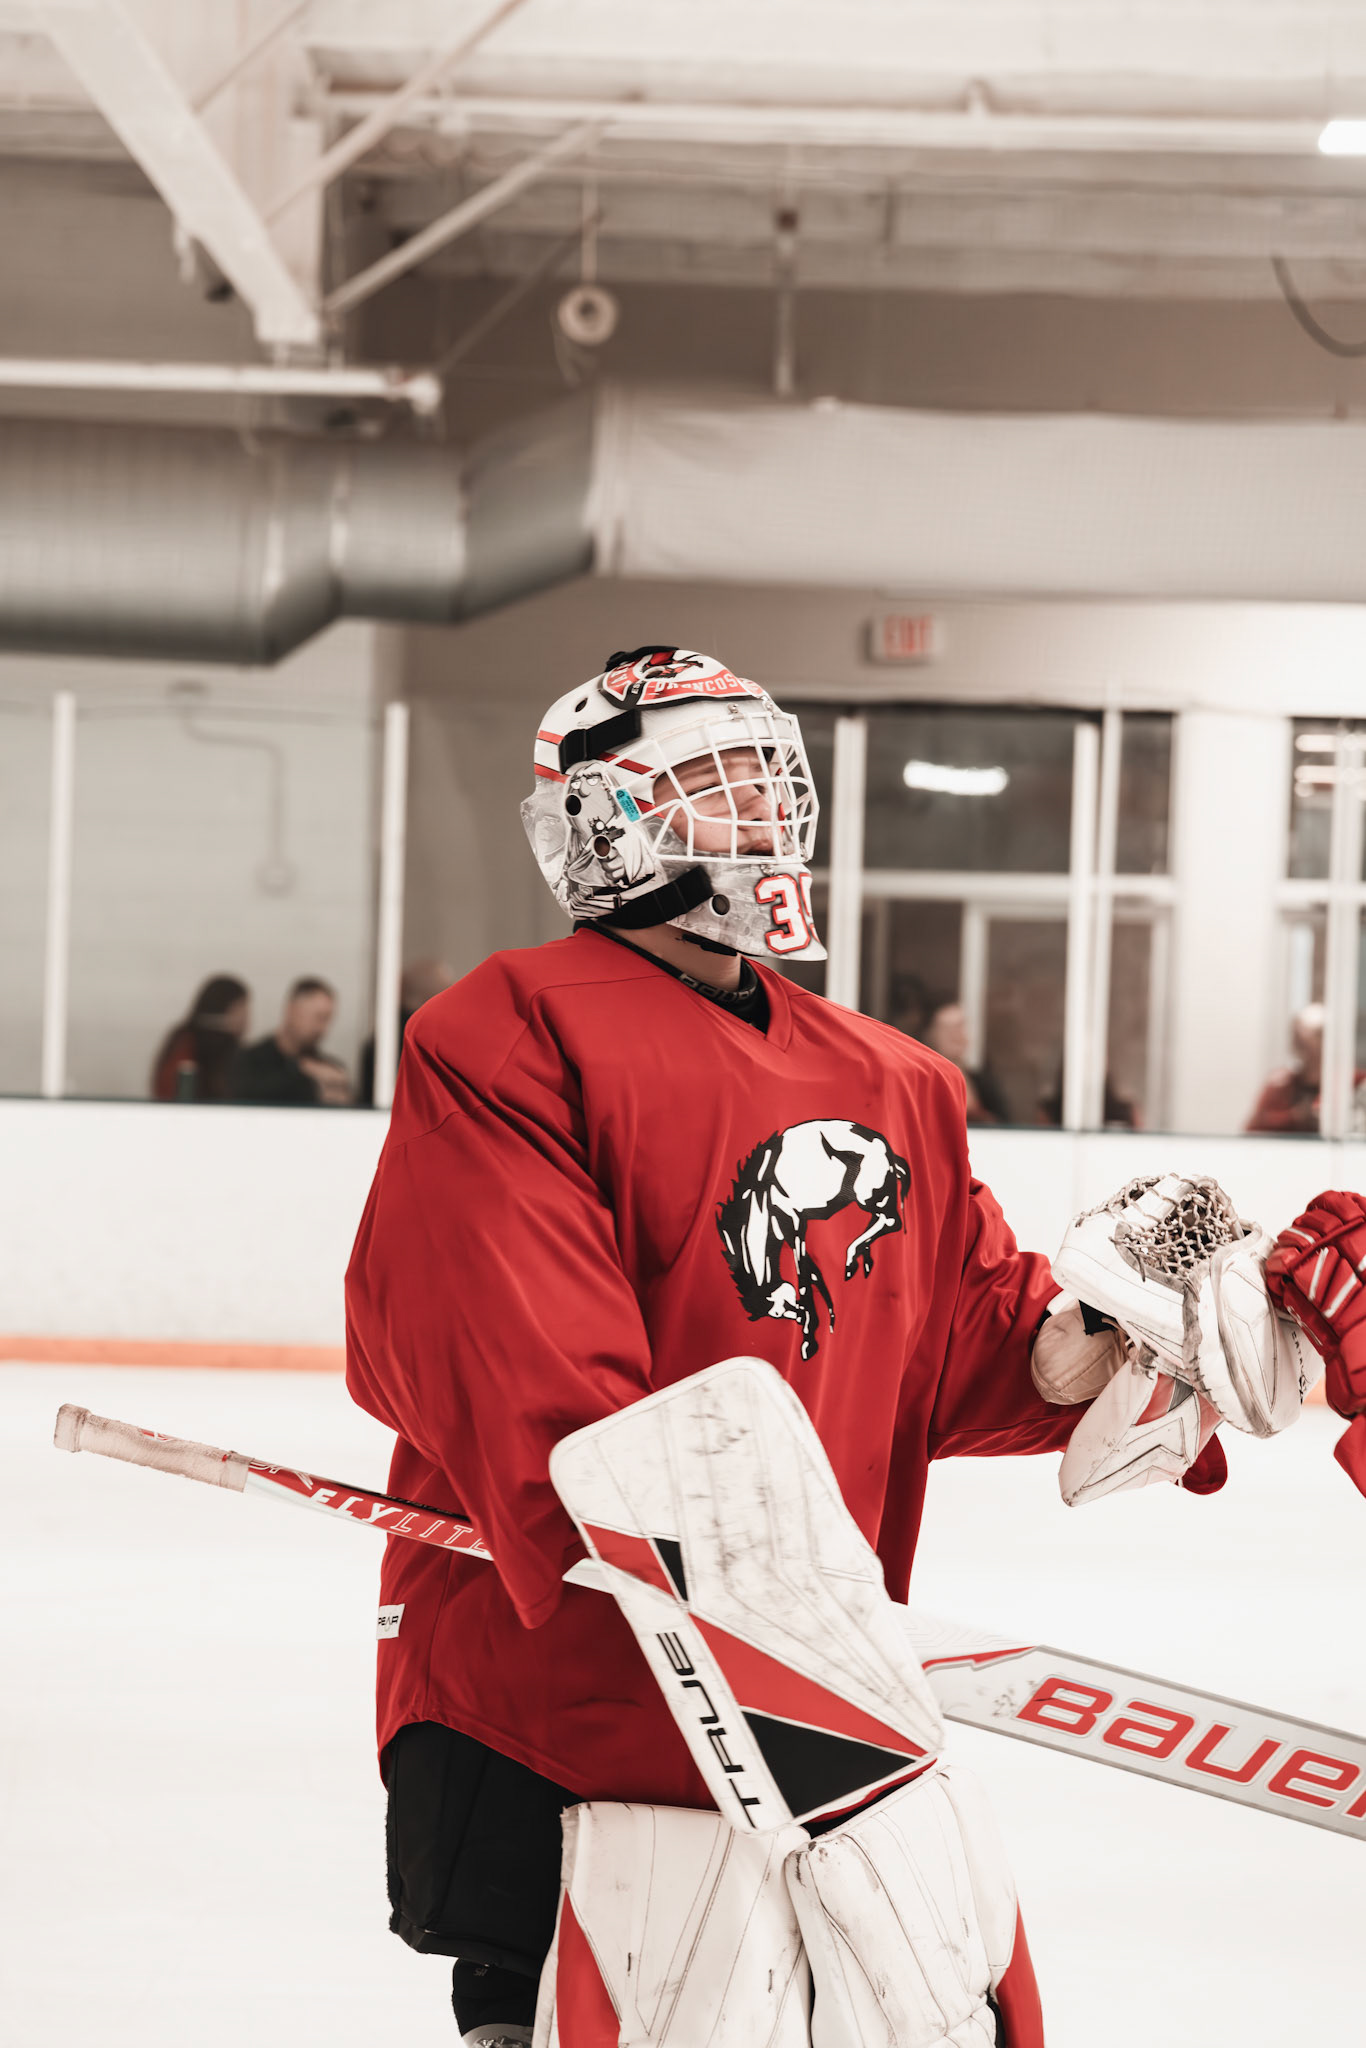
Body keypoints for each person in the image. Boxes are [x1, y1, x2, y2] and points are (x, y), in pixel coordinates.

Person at [344, 647, 1292, 2047]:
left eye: (765, 779)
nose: (757, 814)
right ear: (599, 826)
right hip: (559, 1687)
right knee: (549, 2016)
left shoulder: (890, 1076)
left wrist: (1112, 1337)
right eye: (707, 784)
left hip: (803, 1711)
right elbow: (509, 1355)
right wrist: (737, 1581)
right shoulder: (508, 1034)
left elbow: (950, 1342)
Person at [229, 976, 351, 1107]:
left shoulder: (331, 1069)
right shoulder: (249, 1061)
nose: (322, 1028)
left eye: (328, 1019)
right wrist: (305, 1075)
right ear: (291, 1009)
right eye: (318, 1017)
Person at [357, 957, 455, 1105]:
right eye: (447, 990)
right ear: (428, 994)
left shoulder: (389, 1032)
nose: (451, 999)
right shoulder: (414, 1036)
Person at [149, 974, 250, 1103]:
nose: (247, 1016)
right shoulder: (189, 1041)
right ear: (226, 1009)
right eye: (242, 1007)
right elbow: (168, 1089)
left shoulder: (184, 1037)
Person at [920, 999, 1012, 1125]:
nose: (956, 1035)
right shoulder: (922, 1081)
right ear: (932, 1034)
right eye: (947, 1029)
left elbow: (1004, 1122)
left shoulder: (982, 1081)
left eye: (960, 1027)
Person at [1247, 1001, 1325, 1132]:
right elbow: (1254, 1129)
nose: (1310, 1049)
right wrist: (1294, 1116)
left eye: (1319, 1036)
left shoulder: (1350, 1083)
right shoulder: (1281, 1084)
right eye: (1300, 1041)